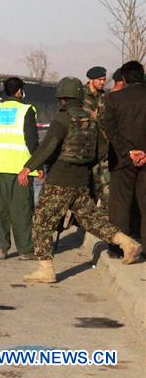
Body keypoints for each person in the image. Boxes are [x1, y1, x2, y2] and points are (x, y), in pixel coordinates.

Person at [19, 77, 141, 283]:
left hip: (60, 180)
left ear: (62, 97)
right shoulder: (91, 120)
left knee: (41, 221)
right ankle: (127, 243)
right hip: (82, 180)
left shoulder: (63, 119)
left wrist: (30, 166)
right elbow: (101, 150)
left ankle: (46, 269)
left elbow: (48, 146)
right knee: (91, 219)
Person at [0, 77, 38, 260]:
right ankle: (25, 250)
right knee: (21, 209)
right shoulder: (26, 111)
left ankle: (1, 248)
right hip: (20, 169)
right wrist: (38, 167)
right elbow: (32, 142)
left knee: (0, 209)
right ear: (19, 91)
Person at [100, 60, 146, 248]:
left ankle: (120, 248)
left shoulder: (113, 99)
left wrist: (127, 152)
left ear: (124, 78)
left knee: (120, 205)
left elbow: (109, 128)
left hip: (121, 160)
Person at [84, 66, 110, 205]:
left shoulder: (105, 97)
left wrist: (97, 117)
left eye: (104, 79)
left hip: (102, 147)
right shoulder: (81, 96)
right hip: (85, 147)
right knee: (87, 189)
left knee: (106, 186)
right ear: (91, 80)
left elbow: (108, 119)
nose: (102, 82)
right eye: (99, 80)